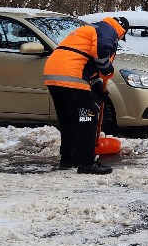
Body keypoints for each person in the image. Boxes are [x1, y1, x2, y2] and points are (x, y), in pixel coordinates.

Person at [43, 16, 127, 174]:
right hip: (72, 75)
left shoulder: (91, 28)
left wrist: (98, 87)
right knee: (87, 118)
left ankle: (68, 159)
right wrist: (107, 68)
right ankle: (87, 163)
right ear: (122, 32)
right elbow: (101, 52)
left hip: (54, 73)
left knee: (68, 119)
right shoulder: (109, 30)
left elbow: (86, 61)